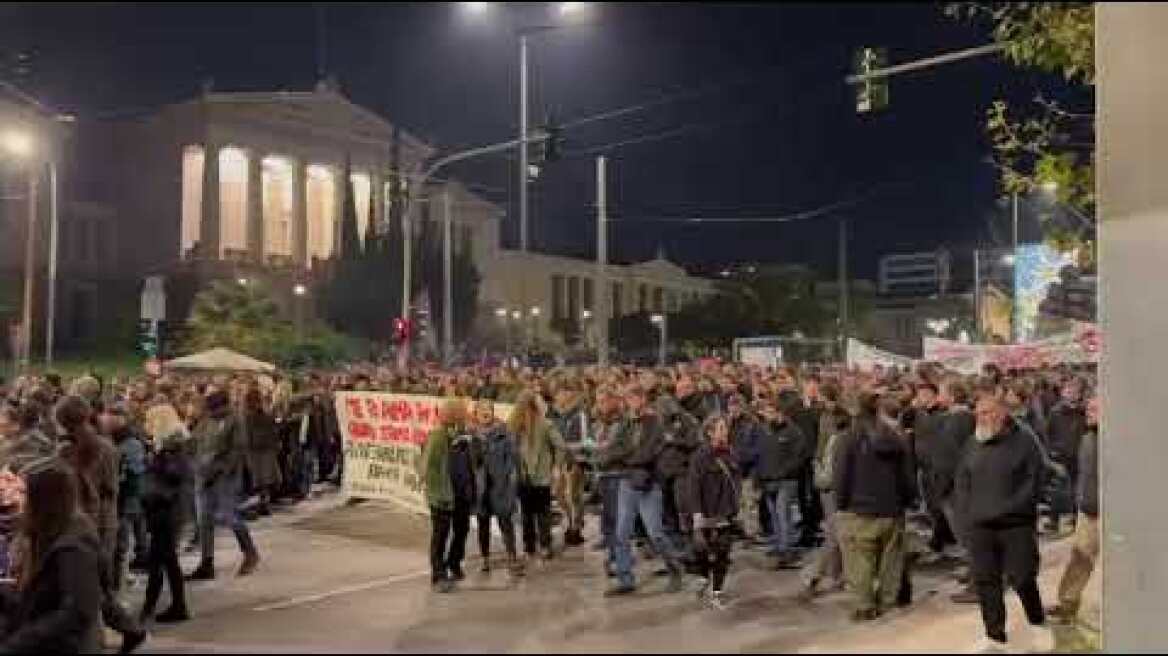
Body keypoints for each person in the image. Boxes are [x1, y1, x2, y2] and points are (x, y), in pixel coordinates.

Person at [954, 394, 1053, 653]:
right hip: (980, 527)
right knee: (986, 581)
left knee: (1022, 578)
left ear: (1003, 414)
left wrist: (1011, 509)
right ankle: (994, 635)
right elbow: (962, 480)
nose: (982, 418)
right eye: (979, 413)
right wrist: (965, 514)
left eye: (988, 412)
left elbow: (1036, 479)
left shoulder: (1024, 441)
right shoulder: (972, 443)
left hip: (1015, 524)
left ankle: (1038, 623)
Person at [54, 395, 147, 654]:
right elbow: (113, 489)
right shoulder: (107, 448)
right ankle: (128, 629)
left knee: (87, 588)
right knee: (96, 585)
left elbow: (65, 491)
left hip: (83, 523)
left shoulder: (66, 452)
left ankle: (107, 636)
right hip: (105, 521)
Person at [0, 458, 103, 653]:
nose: (15, 497)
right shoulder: (48, 531)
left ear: (45, 499)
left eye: (23, 492)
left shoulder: (74, 545)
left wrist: (17, 642)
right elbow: (40, 597)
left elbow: (75, 613)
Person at [833, 393, 916, 621]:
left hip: (859, 511)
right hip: (892, 509)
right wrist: (908, 500)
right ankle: (888, 604)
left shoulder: (847, 439)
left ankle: (865, 606)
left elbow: (841, 476)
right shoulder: (897, 437)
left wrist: (840, 504)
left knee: (859, 562)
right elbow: (907, 475)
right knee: (891, 562)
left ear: (854, 411)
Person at [599, 383, 684, 596]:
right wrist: (625, 455)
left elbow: (648, 453)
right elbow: (613, 449)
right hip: (627, 481)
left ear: (642, 399)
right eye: (627, 400)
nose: (630, 404)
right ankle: (625, 578)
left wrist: (626, 456)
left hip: (649, 483)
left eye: (633, 399)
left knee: (655, 533)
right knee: (621, 533)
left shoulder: (656, 423)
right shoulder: (627, 423)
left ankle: (675, 569)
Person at [187, 391, 260, 581]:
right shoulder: (206, 421)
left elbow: (237, 450)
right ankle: (206, 562)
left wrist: (222, 470)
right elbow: (194, 442)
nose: (212, 412)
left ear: (225, 406)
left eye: (216, 409)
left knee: (230, 516)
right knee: (204, 520)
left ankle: (250, 552)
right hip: (203, 475)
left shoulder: (235, 421)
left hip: (224, 477)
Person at [1048, 394, 1100, 625]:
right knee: (1080, 557)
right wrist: (1081, 500)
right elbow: (1084, 476)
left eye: (1095, 409)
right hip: (1088, 511)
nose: (1088, 412)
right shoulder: (1088, 438)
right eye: (1088, 408)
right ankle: (1068, 603)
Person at [138, 405, 192, 625]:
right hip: (164, 508)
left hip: (166, 509)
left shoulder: (173, 447)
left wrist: (157, 459)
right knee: (163, 560)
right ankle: (164, 605)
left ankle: (161, 606)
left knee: (163, 559)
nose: (146, 426)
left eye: (150, 421)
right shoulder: (171, 446)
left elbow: (175, 475)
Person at [686, 414, 740, 610]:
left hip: (724, 511)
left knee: (723, 552)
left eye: (725, 428)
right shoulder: (700, 457)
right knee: (702, 550)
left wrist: (735, 507)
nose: (725, 432)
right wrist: (697, 513)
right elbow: (694, 486)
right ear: (709, 432)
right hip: (706, 511)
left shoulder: (731, 453)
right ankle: (703, 576)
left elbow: (736, 482)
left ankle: (717, 591)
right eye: (720, 428)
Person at [509, 391, 570, 562]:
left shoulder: (545, 424)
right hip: (522, 475)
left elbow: (561, 446)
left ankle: (544, 545)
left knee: (542, 513)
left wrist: (556, 466)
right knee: (527, 513)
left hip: (541, 475)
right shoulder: (514, 426)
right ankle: (530, 546)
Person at [419, 398, 473, 592]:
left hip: (461, 493)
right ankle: (438, 575)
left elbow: (470, 463)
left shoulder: (463, 435)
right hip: (442, 495)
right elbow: (425, 466)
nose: (466, 415)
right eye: (463, 412)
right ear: (454, 415)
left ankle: (454, 562)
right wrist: (430, 487)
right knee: (440, 535)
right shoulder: (438, 436)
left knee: (461, 530)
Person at [754, 391, 810, 570]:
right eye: (766, 413)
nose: (768, 416)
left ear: (780, 413)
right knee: (774, 517)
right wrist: (759, 478)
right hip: (767, 481)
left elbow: (799, 458)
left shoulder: (794, 432)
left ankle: (787, 551)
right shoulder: (764, 431)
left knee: (784, 515)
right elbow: (759, 456)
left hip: (786, 481)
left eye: (771, 412)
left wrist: (783, 472)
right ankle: (779, 547)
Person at [800, 403, 850, 601]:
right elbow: (829, 475)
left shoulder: (828, 441)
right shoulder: (836, 441)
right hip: (832, 492)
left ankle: (838, 576)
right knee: (835, 535)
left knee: (836, 535)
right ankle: (814, 575)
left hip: (828, 491)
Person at [97, 404, 148, 590]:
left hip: (126, 499)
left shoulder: (132, 444)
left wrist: (118, 472)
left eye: (110, 417)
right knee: (113, 546)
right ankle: (111, 584)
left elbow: (134, 473)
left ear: (121, 419)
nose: (106, 421)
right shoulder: (107, 440)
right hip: (113, 500)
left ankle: (116, 588)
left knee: (120, 545)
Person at [469, 399, 520, 577]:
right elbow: (471, 463)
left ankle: (512, 557)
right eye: (481, 410)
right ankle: (485, 559)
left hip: (500, 486)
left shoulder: (504, 433)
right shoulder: (471, 436)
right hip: (481, 488)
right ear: (475, 415)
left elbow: (512, 459)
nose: (485, 412)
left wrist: (508, 483)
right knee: (483, 524)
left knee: (506, 523)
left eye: (488, 409)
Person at [1043, 380, 1087, 535]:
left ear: (1080, 394)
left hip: (1078, 455)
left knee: (1078, 489)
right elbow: (1047, 433)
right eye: (1068, 390)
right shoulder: (1055, 412)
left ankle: (1076, 519)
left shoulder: (1084, 412)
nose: (1070, 394)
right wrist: (1051, 451)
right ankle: (1053, 520)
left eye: (1074, 391)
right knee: (1057, 490)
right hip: (1059, 456)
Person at [243, 388, 280, 518]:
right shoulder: (265, 415)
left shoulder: (248, 416)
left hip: (255, 451)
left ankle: (261, 505)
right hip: (265, 450)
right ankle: (264, 504)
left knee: (258, 481)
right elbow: (273, 431)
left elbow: (246, 435)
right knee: (264, 481)